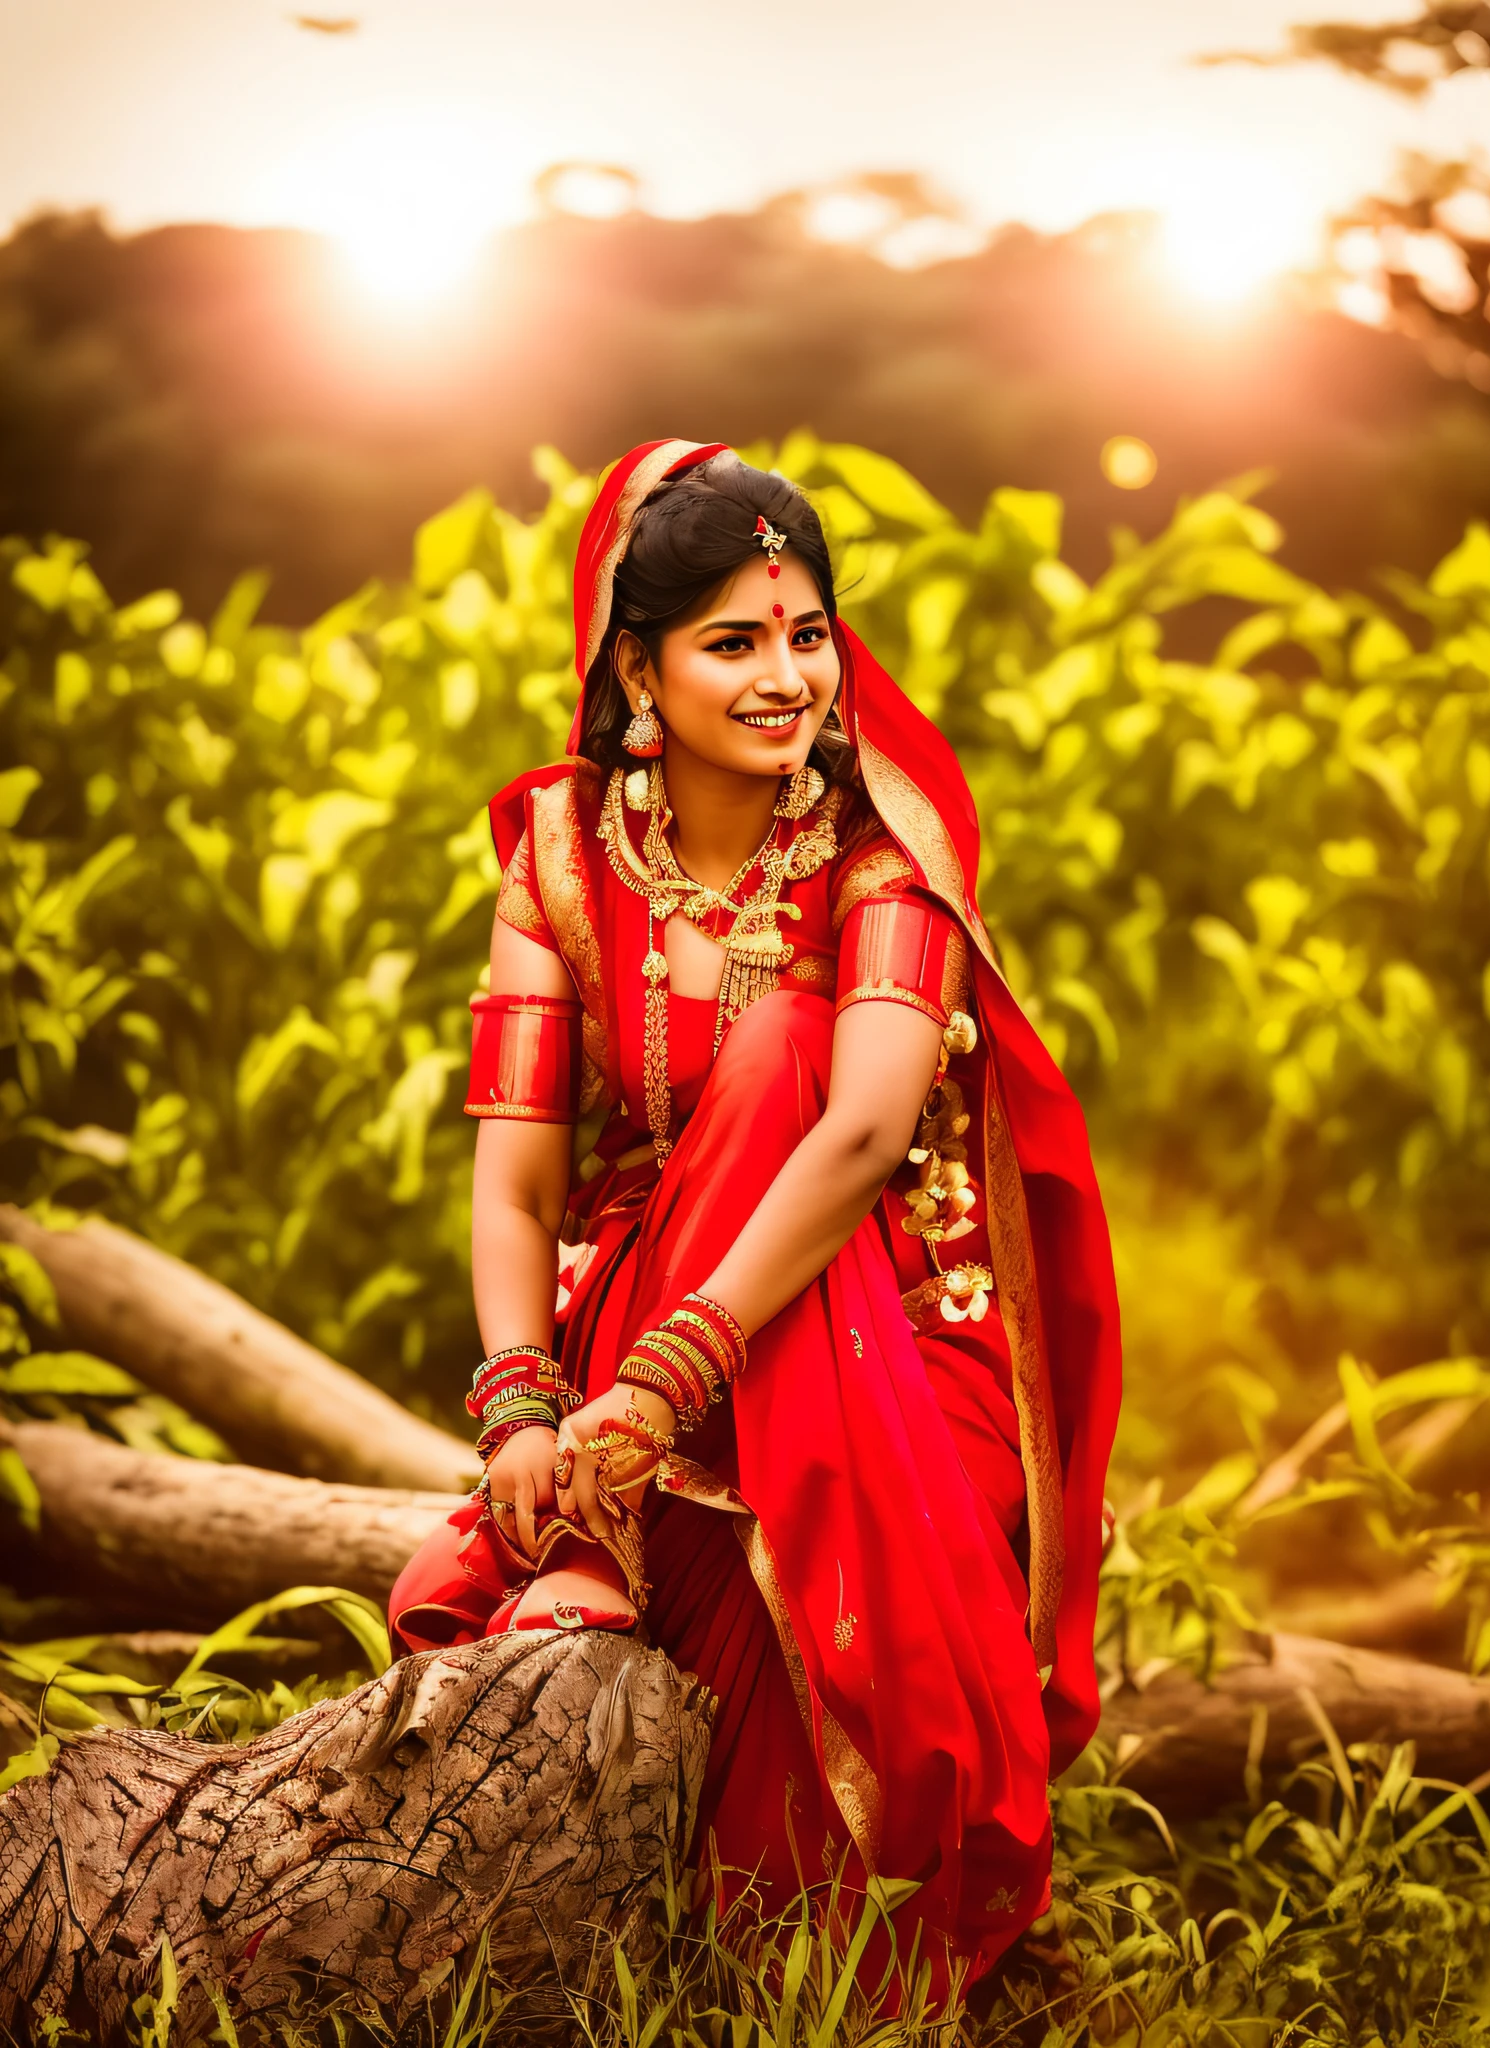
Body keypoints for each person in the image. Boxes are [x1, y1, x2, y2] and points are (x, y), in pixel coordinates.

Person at [388, 441, 1121, 1980]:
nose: (786, 675)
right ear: (636, 667)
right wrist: (526, 1404)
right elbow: (518, 1175)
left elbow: (861, 1133)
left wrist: (651, 1399)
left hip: (888, 1330)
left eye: (807, 635)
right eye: (733, 640)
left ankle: (621, 1566)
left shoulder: (878, 851)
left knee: (790, 1043)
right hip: (629, 1311)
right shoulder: (560, 856)